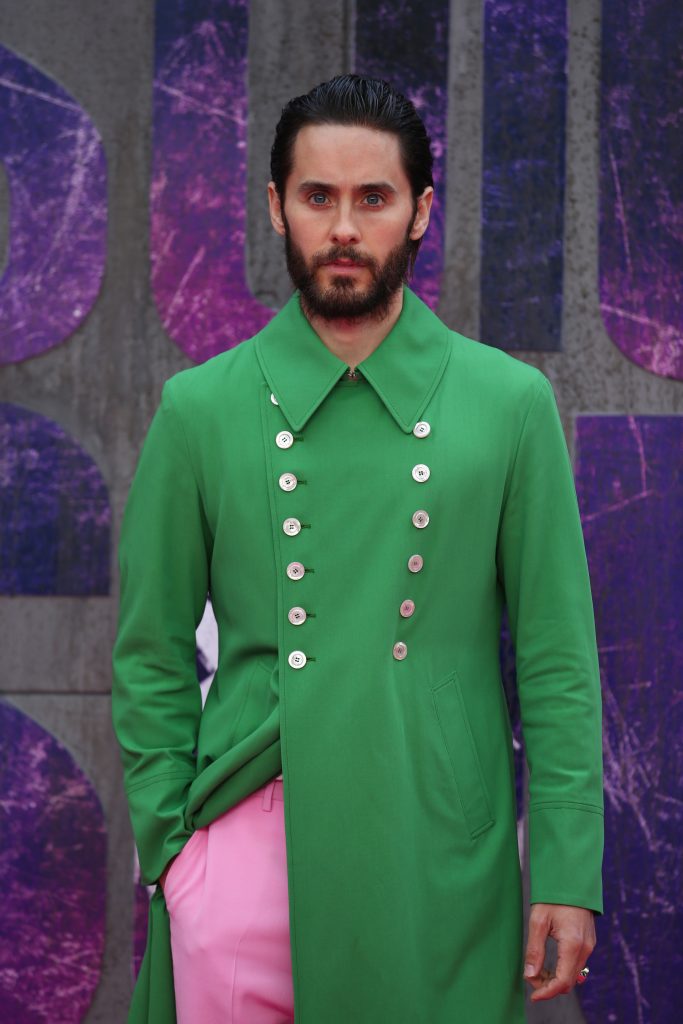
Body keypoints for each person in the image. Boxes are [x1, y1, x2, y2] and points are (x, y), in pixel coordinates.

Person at [112, 74, 604, 1024]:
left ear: (421, 212)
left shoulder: (507, 405)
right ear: (275, 207)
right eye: (317, 197)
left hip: (438, 848)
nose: (344, 227)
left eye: (372, 198)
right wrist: (173, 851)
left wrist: (570, 868)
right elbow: (151, 649)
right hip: (241, 849)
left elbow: (555, 659)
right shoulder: (201, 409)